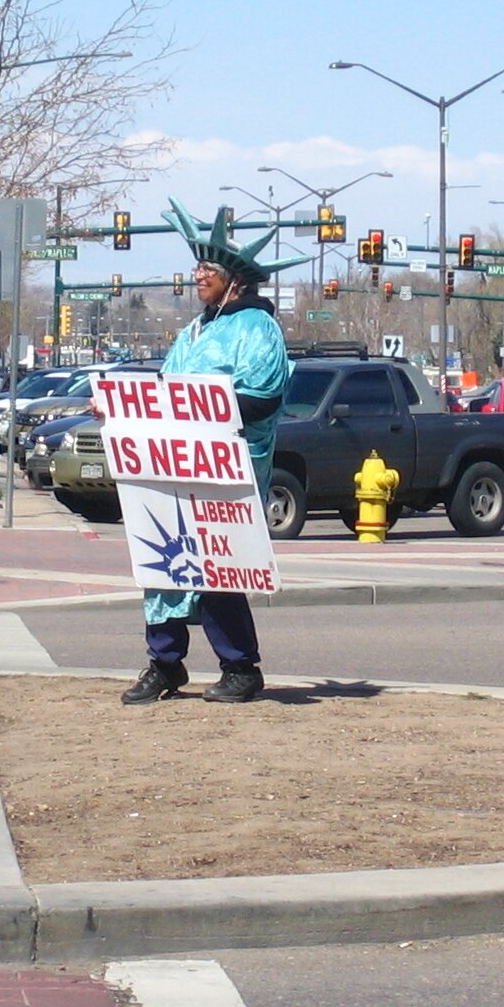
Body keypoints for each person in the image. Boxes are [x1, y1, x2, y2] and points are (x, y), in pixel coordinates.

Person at [120, 200, 307, 706]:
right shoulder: (194, 330)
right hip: (177, 463)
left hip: (230, 466)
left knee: (221, 563)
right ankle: (164, 663)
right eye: (198, 267)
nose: (198, 276)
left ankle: (240, 667)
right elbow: (165, 390)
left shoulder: (258, 328)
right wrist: (120, 406)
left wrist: (204, 409)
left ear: (235, 281)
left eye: (208, 269)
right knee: (164, 559)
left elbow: (264, 397)